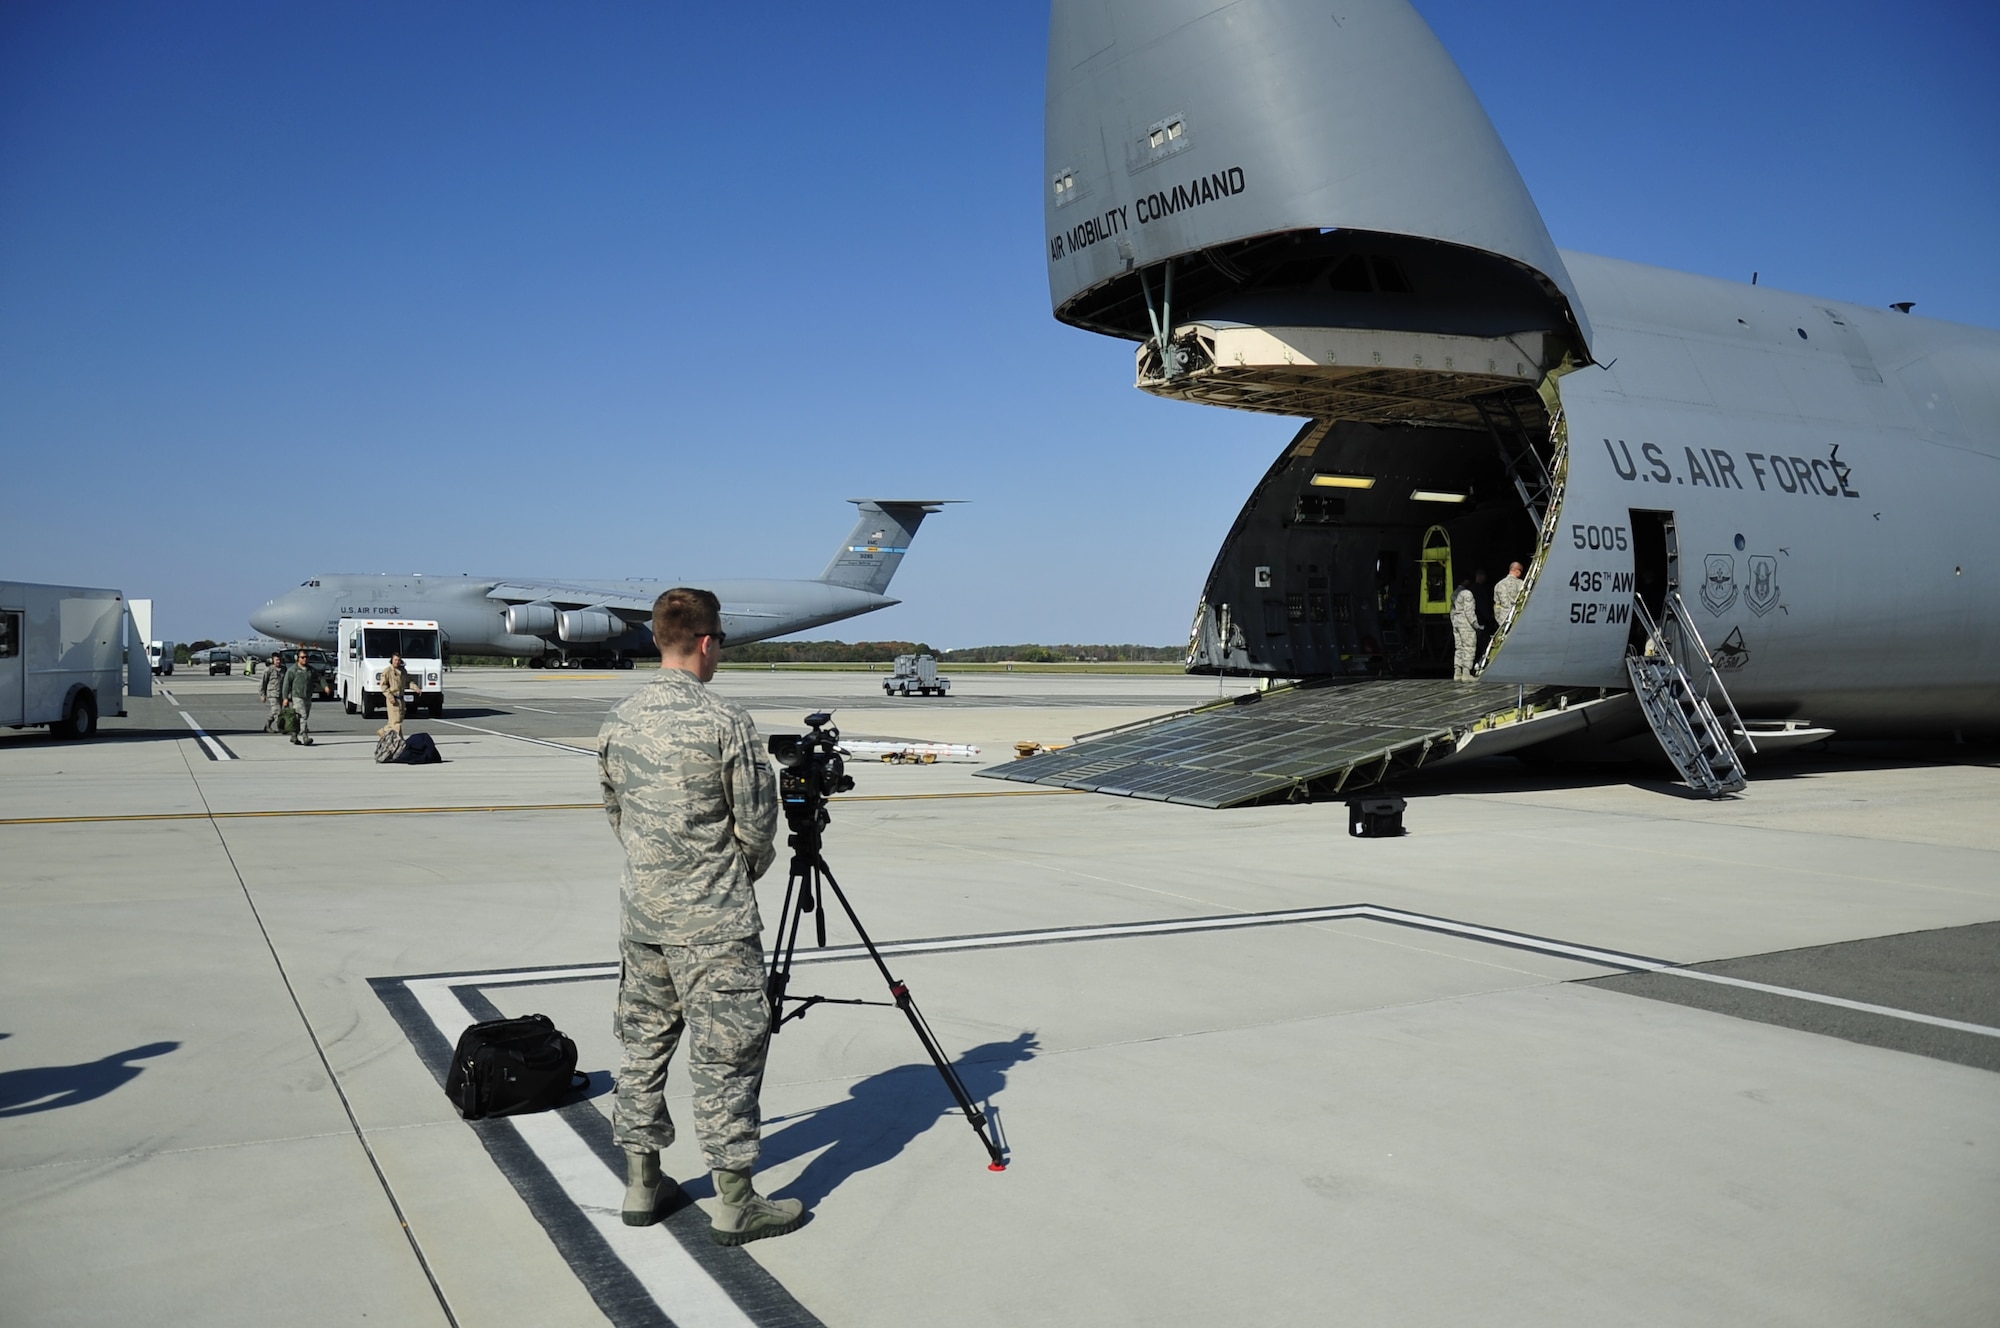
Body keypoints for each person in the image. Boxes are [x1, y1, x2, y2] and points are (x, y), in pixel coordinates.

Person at [596, 587, 801, 1245]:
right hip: (713, 924)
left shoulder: (618, 720)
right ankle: (735, 1202)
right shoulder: (727, 723)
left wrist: (661, 876)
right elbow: (758, 827)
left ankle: (639, 1183)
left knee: (643, 1047)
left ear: (660, 638)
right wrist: (723, 876)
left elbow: (618, 817)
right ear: (708, 642)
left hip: (643, 918)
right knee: (728, 1056)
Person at [281, 649, 322, 746]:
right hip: (297, 697)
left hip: (307, 696)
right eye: (302, 657)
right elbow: (286, 685)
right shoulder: (292, 670)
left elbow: (319, 678)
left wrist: (325, 686)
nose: (305, 659)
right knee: (302, 716)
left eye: (306, 657)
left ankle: (294, 735)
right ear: (297, 658)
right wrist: (285, 698)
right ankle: (305, 736)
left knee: (301, 717)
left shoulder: (310, 670)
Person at [377, 651, 412, 738]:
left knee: (396, 721)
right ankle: (400, 740)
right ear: (392, 660)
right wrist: (390, 696)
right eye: (395, 660)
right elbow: (383, 685)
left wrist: (416, 688)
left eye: (398, 660)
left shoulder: (403, 671)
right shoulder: (388, 671)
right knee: (396, 723)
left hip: (401, 699)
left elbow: (408, 682)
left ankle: (383, 731)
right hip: (393, 699)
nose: (397, 662)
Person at [1450, 580, 1478, 681]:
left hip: (1457, 622)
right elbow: (1469, 611)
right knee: (1469, 647)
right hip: (1466, 624)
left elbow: (1452, 611)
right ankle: (1466, 673)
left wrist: (1454, 623)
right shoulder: (1467, 593)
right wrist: (1476, 625)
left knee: (1459, 647)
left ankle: (1457, 672)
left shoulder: (1454, 593)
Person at [1493, 561, 1527, 631]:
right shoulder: (1521, 584)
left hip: (1503, 621)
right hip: (1517, 619)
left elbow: (1497, 605)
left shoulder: (1498, 585)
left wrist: (1500, 620)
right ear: (1517, 571)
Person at [259, 652, 286, 732]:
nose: (278, 661)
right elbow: (263, 683)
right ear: (273, 660)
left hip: (281, 694)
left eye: (280, 660)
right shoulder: (268, 670)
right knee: (278, 711)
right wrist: (262, 694)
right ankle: (281, 727)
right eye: (277, 660)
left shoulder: (284, 669)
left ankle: (267, 725)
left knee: (273, 711)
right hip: (272, 693)